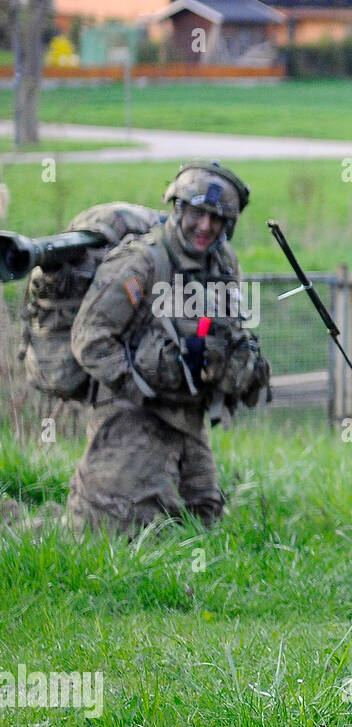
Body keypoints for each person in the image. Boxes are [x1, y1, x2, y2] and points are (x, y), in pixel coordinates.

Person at [66, 161, 268, 535]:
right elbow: (90, 339)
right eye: (197, 213)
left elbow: (227, 327)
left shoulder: (223, 265)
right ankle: (20, 526)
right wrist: (139, 386)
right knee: (114, 531)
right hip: (131, 411)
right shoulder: (140, 263)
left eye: (217, 218)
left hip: (187, 415)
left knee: (201, 522)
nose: (205, 227)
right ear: (178, 208)